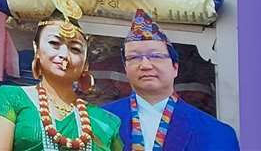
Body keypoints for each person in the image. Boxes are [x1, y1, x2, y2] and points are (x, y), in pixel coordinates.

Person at [0, 0, 124, 151]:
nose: (64, 55)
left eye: (75, 49)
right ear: (37, 50)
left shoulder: (105, 122)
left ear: (85, 64)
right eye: (54, 43)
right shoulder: (11, 98)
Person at [100, 10, 239, 151]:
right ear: (125, 68)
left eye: (155, 56)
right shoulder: (99, 122)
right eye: (134, 57)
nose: (145, 65)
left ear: (175, 67)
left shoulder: (217, 134)